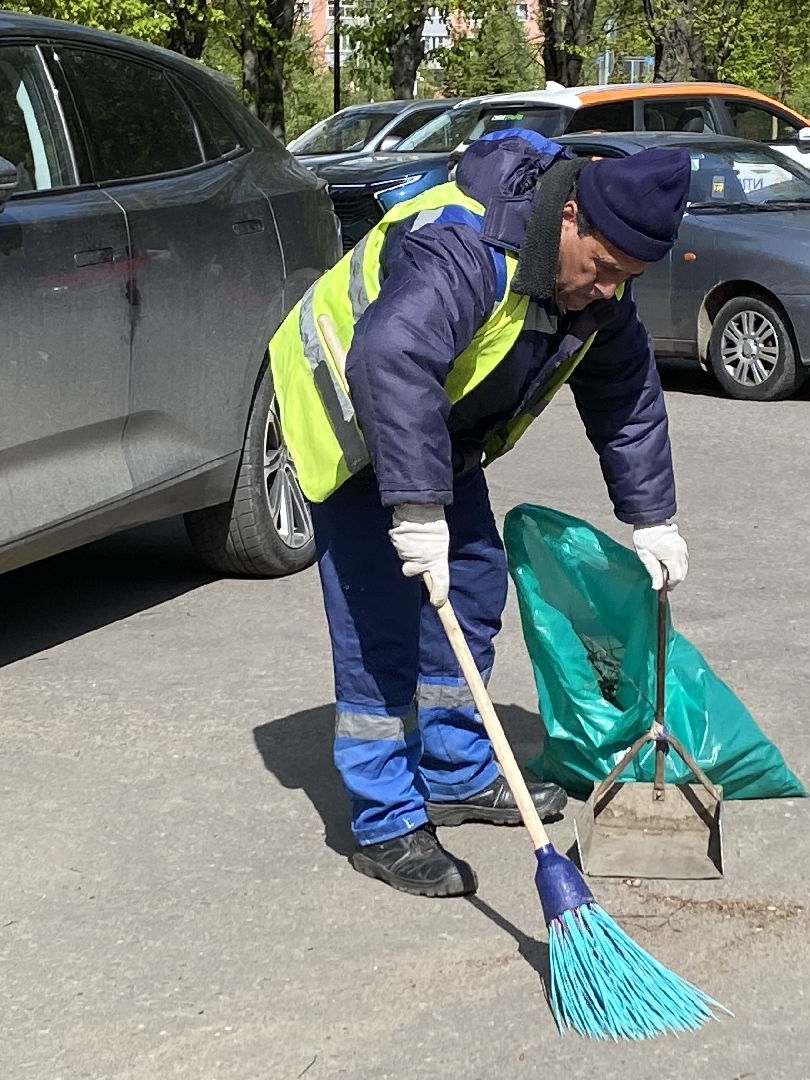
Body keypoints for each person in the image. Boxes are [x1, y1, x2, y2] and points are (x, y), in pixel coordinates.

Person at [268, 129, 694, 897]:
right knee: (380, 621)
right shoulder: (467, 248)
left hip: (436, 428)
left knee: (469, 587)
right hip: (346, 413)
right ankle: (386, 819)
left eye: (625, 278)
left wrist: (652, 516)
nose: (606, 290)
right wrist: (417, 508)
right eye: (601, 269)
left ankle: (458, 770)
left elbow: (626, 399)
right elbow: (389, 357)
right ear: (569, 218)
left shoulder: (598, 287)